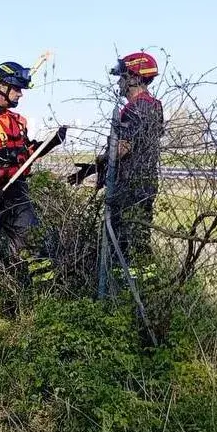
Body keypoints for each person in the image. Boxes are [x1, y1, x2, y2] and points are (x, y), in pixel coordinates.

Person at [0, 61, 68, 303]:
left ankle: (46, 301)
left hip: (17, 193)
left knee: (35, 244)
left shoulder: (17, 121)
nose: (20, 94)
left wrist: (49, 143)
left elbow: (26, 154)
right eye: (16, 88)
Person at [70, 52, 164, 274]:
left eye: (122, 77)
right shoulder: (154, 105)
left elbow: (123, 148)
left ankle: (122, 287)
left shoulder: (136, 107)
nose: (119, 82)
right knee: (139, 238)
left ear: (134, 78)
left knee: (121, 240)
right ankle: (144, 284)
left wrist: (100, 160)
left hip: (129, 184)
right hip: (144, 182)